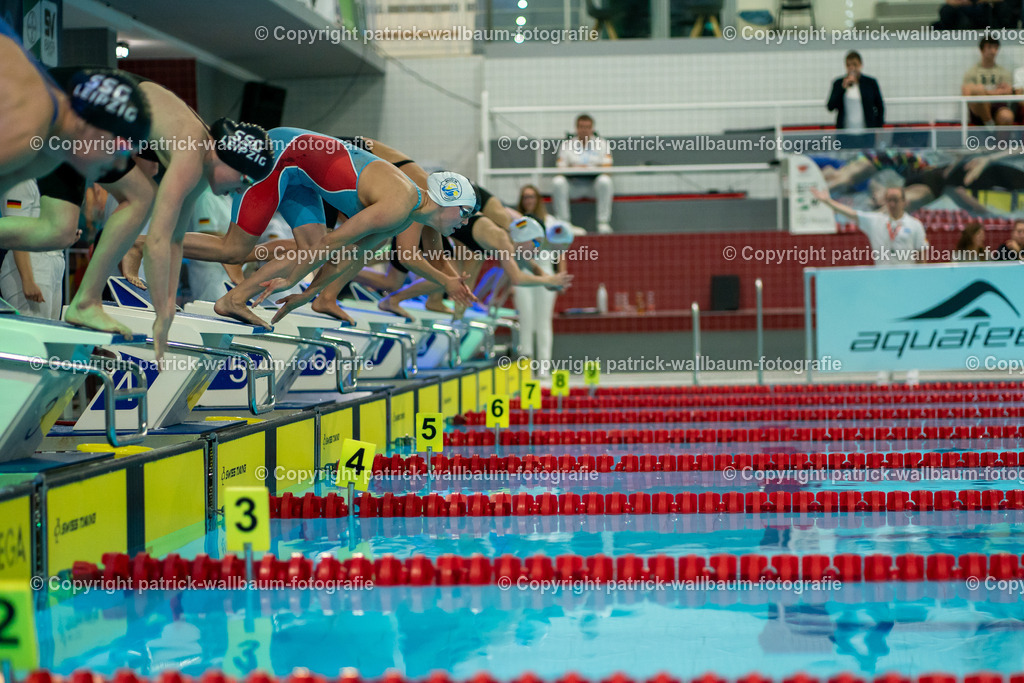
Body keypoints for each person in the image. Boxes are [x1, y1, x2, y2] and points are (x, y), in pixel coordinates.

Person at [134, 128, 477, 329]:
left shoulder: (405, 216)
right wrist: (292, 277)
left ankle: (233, 300)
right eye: (463, 214)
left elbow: (350, 259)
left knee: (306, 252)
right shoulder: (399, 204)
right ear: (447, 203)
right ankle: (140, 244)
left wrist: (307, 294)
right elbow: (335, 240)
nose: (463, 224)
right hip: (280, 157)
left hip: (302, 175)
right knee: (233, 249)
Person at [0, 57, 151, 238]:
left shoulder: (48, 154)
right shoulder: (24, 127)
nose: (120, 165)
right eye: (121, 149)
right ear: (85, 125)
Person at [377, 214, 574, 321]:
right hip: (428, 226)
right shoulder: (502, 241)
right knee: (448, 279)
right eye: (536, 244)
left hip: (446, 233)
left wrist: (545, 279)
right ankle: (393, 299)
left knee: (461, 280)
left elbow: (522, 266)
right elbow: (516, 278)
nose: (537, 250)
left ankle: (455, 319)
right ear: (525, 238)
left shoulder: (505, 242)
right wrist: (549, 280)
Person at [513, 220, 574, 377]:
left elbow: (560, 252)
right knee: (525, 320)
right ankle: (525, 366)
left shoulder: (550, 223)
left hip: (546, 274)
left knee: (543, 322)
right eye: (526, 197)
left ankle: (544, 367)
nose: (529, 201)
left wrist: (561, 277)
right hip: (524, 273)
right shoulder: (520, 224)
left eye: (531, 197)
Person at [810, 185, 927, 266]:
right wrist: (828, 202)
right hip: (882, 276)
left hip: (907, 276)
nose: (892, 204)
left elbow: (921, 255)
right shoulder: (875, 221)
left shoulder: (915, 225)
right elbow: (852, 213)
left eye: (895, 200)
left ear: (904, 202)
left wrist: (920, 278)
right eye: (889, 200)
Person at [0, 180, 66, 319]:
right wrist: (28, 280)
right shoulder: (21, 181)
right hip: (31, 264)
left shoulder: (47, 179)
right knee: (34, 333)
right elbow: (15, 230)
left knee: (50, 335)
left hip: (55, 262)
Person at [552, 114, 614, 234]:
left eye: (587, 127)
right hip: (573, 186)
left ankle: (603, 223)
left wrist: (577, 167)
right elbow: (560, 168)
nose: (584, 130)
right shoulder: (567, 145)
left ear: (592, 129)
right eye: (581, 127)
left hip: (593, 187)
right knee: (558, 182)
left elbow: (607, 168)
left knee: (605, 181)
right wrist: (592, 167)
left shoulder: (602, 144)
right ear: (576, 128)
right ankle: (564, 222)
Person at [826, 51, 884, 149]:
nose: (852, 68)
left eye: (855, 65)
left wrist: (877, 129)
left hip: (866, 133)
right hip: (845, 134)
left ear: (860, 65)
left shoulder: (870, 83)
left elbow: (880, 106)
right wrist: (842, 88)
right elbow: (830, 106)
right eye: (849, 65)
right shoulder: (839, 83)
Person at [962, 36, 1018, 126]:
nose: (993, 51)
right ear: (981, 50)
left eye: (995, 48)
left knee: (1007, 117)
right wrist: (994, 92)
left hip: (998, 107)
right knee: (978, 90)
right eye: (989, 48)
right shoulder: (972, 72)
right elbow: (966, 94)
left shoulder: (1003, 72)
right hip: (978, 109)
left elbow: (1008, 91)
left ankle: (999, 138)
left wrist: (985, 92)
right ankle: (988, 122)